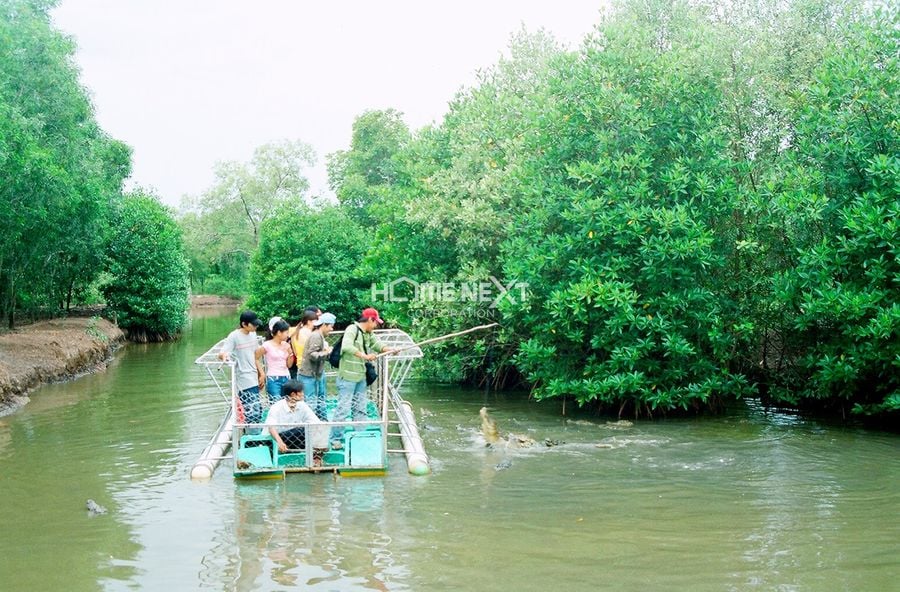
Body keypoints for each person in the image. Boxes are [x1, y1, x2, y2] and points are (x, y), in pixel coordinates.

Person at [332, 307, 395, 446]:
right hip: (347, 377)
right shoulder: (352, 329)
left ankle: (359, 436)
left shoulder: (368, 333)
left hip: (361, 377)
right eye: (375, 322)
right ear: (370, 320)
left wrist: (389, 349)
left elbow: (377, 344)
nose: (376, 325)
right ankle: (336, 439)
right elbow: (346, 347)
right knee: (343, 408)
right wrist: (365, 356)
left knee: (360, 407)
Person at [218, 310, 265, 429]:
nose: (256, 326)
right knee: (251, 409)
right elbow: (222, 353)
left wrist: (262, 374)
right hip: (243, 377)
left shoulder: (253, 335)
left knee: (258, 407)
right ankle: (252, 435)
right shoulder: (234, 336)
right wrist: (225, 356)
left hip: (254, 375)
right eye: (253, 324)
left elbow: (255, 356)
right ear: (244, 324)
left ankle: (255, 432)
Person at [265, 380, 328, 460]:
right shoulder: (277, 407)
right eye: (301, 392)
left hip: (293, 436)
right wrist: (279, 442)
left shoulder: (302, 405)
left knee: (321, 426)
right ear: (293, 394)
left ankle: (317, 457)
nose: (303, 394)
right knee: (302, 430)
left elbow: (315, 422)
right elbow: (271, 427)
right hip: (275, 438)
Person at [298, 312, 335, 420]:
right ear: (324, 325)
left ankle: (322, 422)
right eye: (331, 326)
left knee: (320, 400)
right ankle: (310, 427)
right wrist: (327, 352)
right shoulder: (315, 336)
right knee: (311, 404)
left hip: (317, 374)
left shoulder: (320, 336)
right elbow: (312, 355)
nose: (332, 329)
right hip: (308, 375)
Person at [257, 317, 293, 405]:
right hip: (273, 378)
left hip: (286, 377)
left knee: (287, 404)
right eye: (286, 333)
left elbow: (289, 365)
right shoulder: (267, 345)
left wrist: (290, 354)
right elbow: (256, 358)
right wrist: (262, 373)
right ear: (279, 333)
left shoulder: (286, 345)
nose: (288, 335)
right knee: (276, 404)